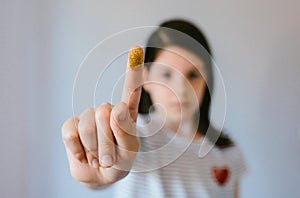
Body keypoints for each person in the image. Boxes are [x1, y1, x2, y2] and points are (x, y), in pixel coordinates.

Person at [61, 19, 247, 198]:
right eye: (166, 74)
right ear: (146, 78)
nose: (182, 90)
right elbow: (111, 165)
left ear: (207, 79)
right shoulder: (133, 137)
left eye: (193, 75)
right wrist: (100, 172)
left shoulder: (228, 152)